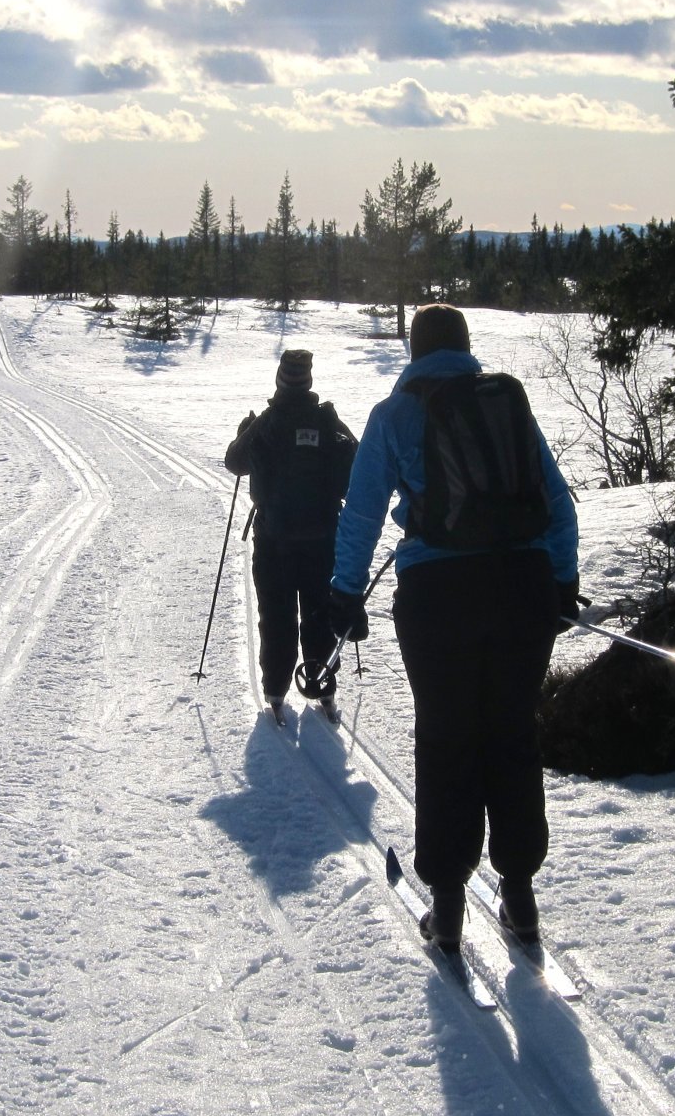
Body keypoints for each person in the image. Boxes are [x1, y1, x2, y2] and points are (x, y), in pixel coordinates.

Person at [328, 305, 580, 951]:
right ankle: (520, 897)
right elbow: (556, 501)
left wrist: (346, 592)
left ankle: (447, 907)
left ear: (414, 351)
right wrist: (562, 581)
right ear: (466, 347)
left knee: (447, 739)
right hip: (523, 587)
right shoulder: (506, 404)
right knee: (512, 734)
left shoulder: (395, 414)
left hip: (439, 596)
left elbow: (362, 512)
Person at [225, 349, 357, 721]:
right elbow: (356, 465)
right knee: (319, 612)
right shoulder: (327, 420)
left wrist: (244, 432)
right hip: (322, 538)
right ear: (309, 381)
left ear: (280, 380)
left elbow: (234, 462)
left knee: (276, 614)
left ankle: (275, 690)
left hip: (274, 540)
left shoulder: (266, 422)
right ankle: (321, 683)